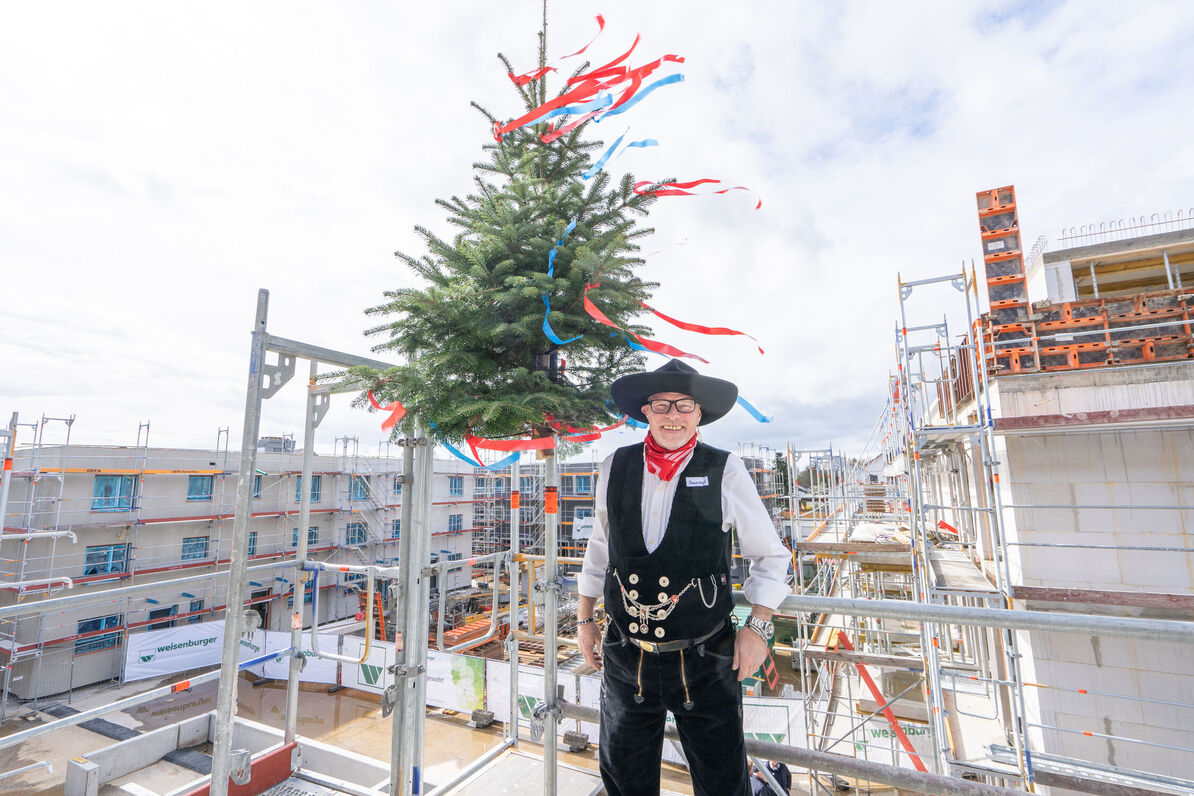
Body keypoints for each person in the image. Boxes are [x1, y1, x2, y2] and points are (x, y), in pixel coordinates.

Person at [576, 359, 792, 796]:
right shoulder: (612, 467)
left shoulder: (725, 469)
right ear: (646, 412)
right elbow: (600, 548)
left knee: (722, 784)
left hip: (706, 658)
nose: (672, 415)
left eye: (684, 406)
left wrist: (758, 627)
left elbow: (769, 556)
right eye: (661, 405)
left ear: (699, 415)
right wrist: (584, 619)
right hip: (625, 654)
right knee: (623, 780)